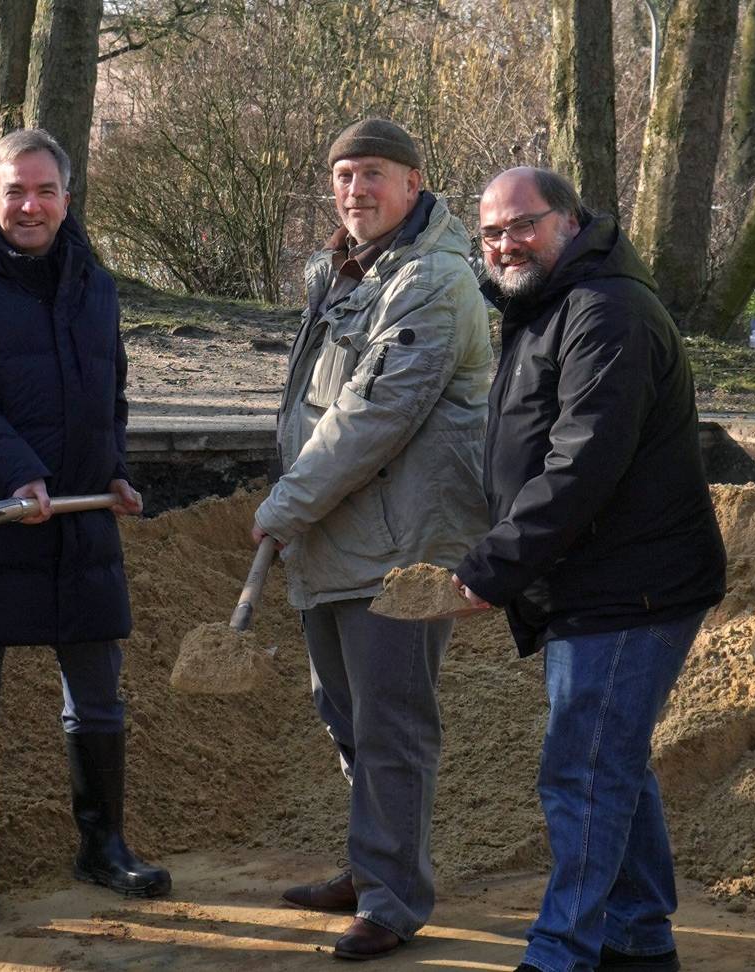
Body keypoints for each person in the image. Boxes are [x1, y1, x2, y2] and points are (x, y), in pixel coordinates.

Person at [450, 167, 726, 972]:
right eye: (492, 233)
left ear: (569, 220)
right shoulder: (545, 307)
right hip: (589, 578)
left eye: (522, 225)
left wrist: (494, 566)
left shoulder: (606, 310)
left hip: (631, 585)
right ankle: (638, 934)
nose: (505, 243)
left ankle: (563, 949)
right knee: (612, 760)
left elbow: (581, 465)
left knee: (582, 767)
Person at [0, 128, 164, 921]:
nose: (29, 205)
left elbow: (109, 390)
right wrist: (17, 470)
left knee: (97, 694)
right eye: (14, 190)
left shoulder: (96, 285)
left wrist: (115, 465)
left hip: (77, 523)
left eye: (44, 190)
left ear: (67, 197)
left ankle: (102, 845)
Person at [254, 117, 492, 962]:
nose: (356, 190)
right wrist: (300, 509)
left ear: (415, 186)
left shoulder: (434, 282)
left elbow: (374, 415)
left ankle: (393, 900)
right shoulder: (341, 275)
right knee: (346, 716)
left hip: (402, 550)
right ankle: (370, 864)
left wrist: (286, 503)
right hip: (335, 534)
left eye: (375, 175)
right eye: (345, 175)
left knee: (392, 725)